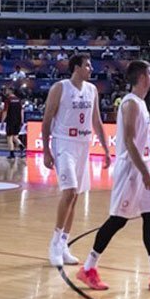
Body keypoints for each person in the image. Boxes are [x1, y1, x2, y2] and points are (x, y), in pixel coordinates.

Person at [74, 61, 150, 291]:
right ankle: (88, 267)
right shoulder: (131, 103)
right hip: (131, 171)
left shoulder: (142, 103)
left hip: (143, 167)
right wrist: (145, 174)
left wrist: (147, 169)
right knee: (118, 220)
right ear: (143, 77)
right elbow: (128, 142)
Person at [43, 54, 111, 266]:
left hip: (83, 144)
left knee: (76, 196)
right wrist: (46, 149)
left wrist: (107, 149)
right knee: (69, 191)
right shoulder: (60, 88)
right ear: (76, 68)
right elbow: (46, 120)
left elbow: (97, 121)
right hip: (64, 142)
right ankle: (54, 244)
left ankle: (64, 244)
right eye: (87, 65)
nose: (91, 68)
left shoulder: (91, 90)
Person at [3, 85, 25, 159]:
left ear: (10, 91)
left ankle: (12, 154)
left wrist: (2, 120)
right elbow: (22, 110)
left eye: (7, 90)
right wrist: (22, 120)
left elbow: (5, 111)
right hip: (18, 120)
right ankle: (21, 146)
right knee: (15, 136)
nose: (5, 91)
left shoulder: (8, 100)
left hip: (10, 120)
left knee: (9, 137)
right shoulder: (19, 100)